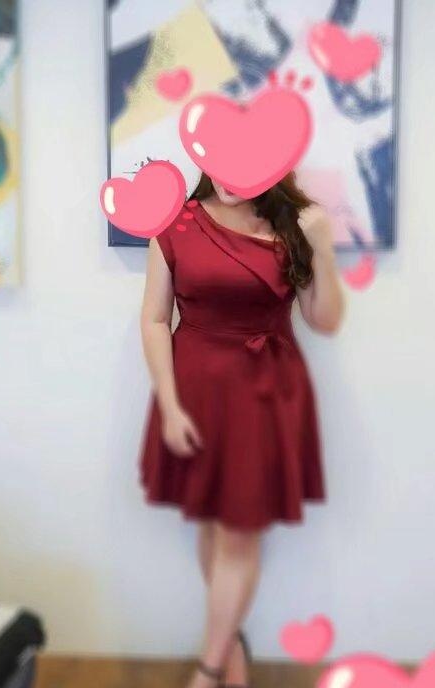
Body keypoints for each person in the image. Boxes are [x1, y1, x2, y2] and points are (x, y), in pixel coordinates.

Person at [138, 171, 345, 688]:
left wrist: (321, 247)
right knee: (211, 522)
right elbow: (155, 319)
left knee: (238, 534)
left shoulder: (293, 225)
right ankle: (230, 649)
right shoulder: (175, 223)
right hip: (195, 393)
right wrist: (169, 404)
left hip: (265, 394)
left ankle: (209, 671)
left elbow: (324, 320)